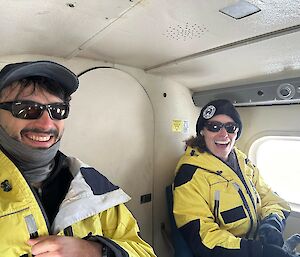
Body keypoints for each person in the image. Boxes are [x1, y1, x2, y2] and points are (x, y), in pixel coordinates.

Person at [0, 60, 156, 257]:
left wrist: (96, 250)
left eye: (57, 110)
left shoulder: (91, 187)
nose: (47, 124)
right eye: (27, 109)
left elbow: (144, 252)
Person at [172, 99, 293, 257]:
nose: (223, 134)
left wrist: (272, 222)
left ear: (237, 132)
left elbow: (271, 199)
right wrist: (256, 251)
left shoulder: (242, 161)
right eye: (214, 127)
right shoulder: (189, 175)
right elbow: (204, 237)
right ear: (202, 131)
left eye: (230, 128)